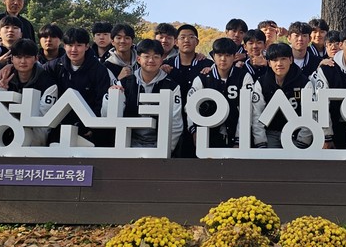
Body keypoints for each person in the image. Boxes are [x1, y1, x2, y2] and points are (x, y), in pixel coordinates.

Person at [0, 39, 59, 147]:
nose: (23, 61)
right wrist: (1, 90)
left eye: (27, 57)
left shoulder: (48, 83)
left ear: (36, 58)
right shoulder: (4, 76)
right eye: (19, 57)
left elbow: (42, 117)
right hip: (4, 134)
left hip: (33, 136)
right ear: (12, 59)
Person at [105, 38, 183, 153]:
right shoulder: (125, 83)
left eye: (156, 57)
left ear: (162, 60)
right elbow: (107, 116)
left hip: (160, 147)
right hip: (127, 145)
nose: (151, 60)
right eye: (146, 56)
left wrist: (166, 150)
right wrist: (110, 97)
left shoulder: (172, 87)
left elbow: (175, 122)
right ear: (138, 59)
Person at [46, 27, 111, 146]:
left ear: (87, 46)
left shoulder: (99, 70)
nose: (74, 50)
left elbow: (101, 101)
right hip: (58, 125)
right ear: (64, 46)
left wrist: (90, 126)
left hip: (88, 129)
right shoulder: (54, 67)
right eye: (70, 45)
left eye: (79, 45)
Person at [187, 37, 255, 148]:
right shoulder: (203, 78)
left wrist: (239, 139)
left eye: (227, 55)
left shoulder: (244, 77)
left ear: (234, 57)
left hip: (236, 133)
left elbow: (248, 109)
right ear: (213, 56)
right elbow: (190, 105)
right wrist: (194, 130)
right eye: (219, 55)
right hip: (208, 136)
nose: (223, 59)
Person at [251, 42, 316, 148]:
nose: (279, 64)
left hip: (296, 134)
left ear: (291, 60)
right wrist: (260, 142)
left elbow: (310, 115)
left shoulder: (304, 83)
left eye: (283, 59)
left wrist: (303, 141)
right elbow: (256, 114)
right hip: (270, 134)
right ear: (269, 63)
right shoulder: (261, 83)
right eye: (275, 60)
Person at [167, 24, 213, 157]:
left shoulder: (207, 65)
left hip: (200, 121)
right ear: (176, 42)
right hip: (172, 120)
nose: (186, 40)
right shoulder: (167, 65)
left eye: (191, 37)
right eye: (182, 37)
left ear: (197, 42)